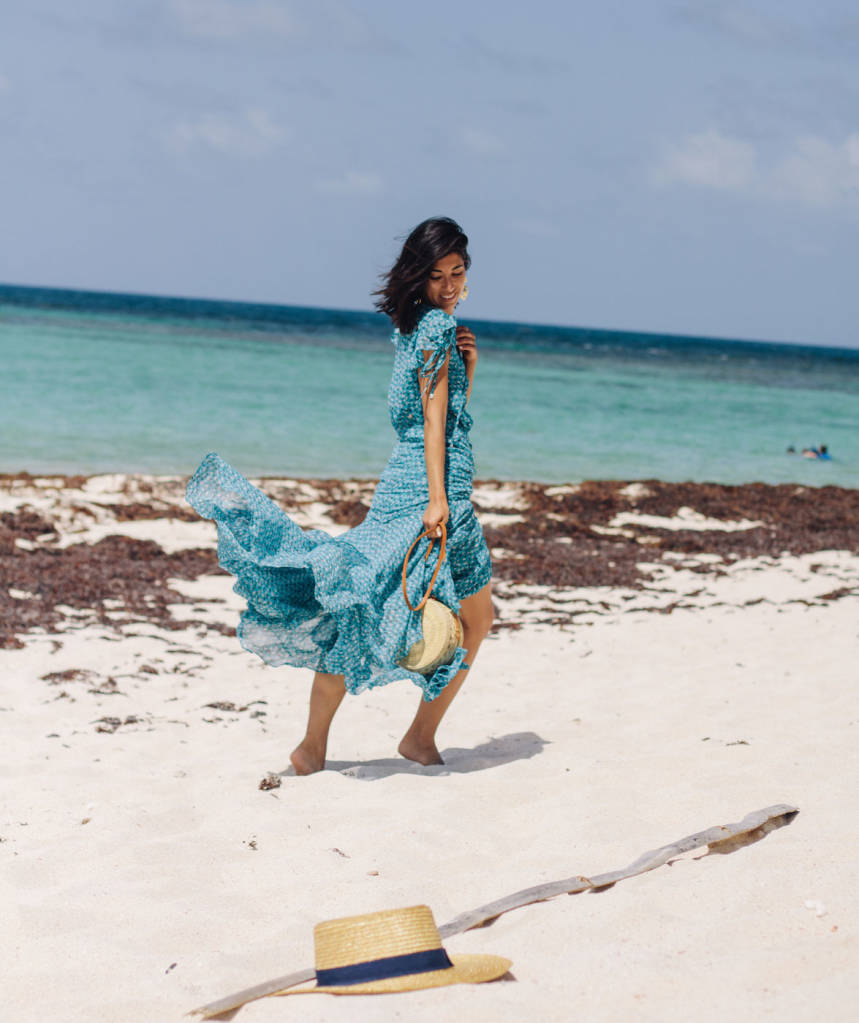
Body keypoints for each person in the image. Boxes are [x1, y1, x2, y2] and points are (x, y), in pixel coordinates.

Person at [185, 217, 493, 774]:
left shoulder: (416, 327)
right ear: (418, 276)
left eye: (458, 272)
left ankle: (329, 746)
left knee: (374, 607)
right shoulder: (436, 330)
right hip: (436, 491)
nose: (449, 285)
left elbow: (431, 413)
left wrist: (469, 368)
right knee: (444, 616)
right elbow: (431, 420)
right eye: (438, 275)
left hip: (419, 484)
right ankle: (406, 739)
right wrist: (438, 498)